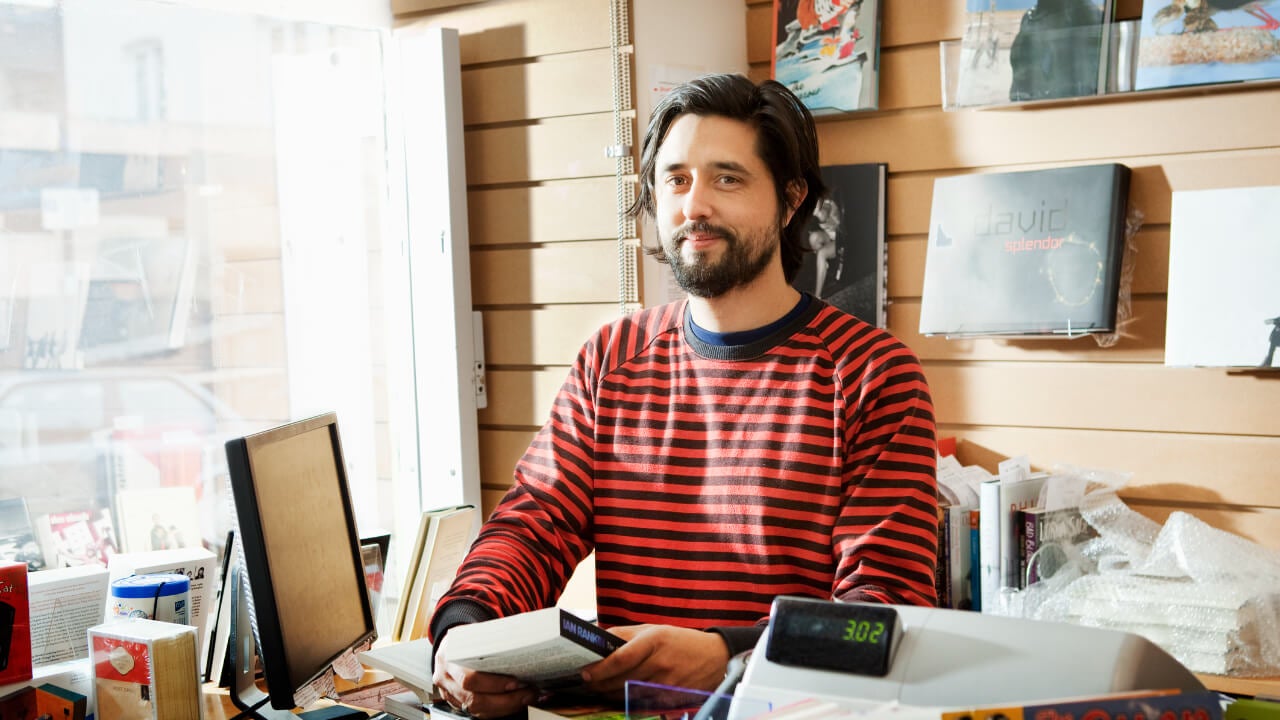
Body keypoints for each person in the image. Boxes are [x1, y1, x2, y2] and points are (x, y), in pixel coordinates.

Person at [429, 73, 938, 719]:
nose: (694, 205)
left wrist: (726, 655)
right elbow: (533, 526)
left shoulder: (872, 375)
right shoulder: (610, 359)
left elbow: (881, 618)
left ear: (789, 201)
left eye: (727, 178)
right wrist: (461, 631)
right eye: (675, 180)